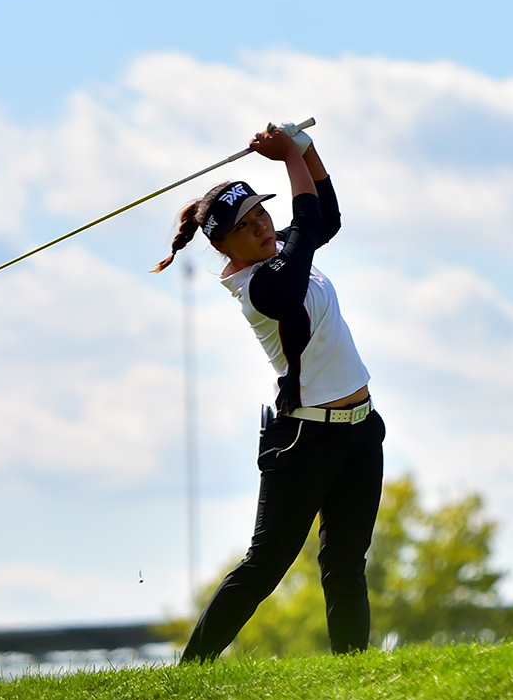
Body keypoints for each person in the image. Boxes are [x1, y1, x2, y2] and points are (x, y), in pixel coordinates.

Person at [152, 124, 385, 661]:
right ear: (222, 245)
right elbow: (303, 231)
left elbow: (324, 219)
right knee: (265, 566)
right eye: (245, 224)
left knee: (347, 562)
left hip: (361, 432)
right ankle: (191, 668)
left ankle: (353, 670)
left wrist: (306, 151)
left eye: (261, 213)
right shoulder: (259, 286)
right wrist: (287, 159)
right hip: (302, 443)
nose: (261, 226)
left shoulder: (280, 251)